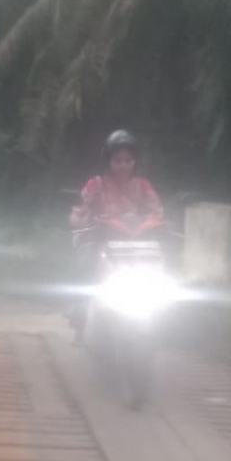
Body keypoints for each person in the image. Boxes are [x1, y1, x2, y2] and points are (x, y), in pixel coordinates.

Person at [68, 130, 165, 336]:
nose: (123, 165)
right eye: (117, 160)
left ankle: (169, 319)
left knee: (165, 273)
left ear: (135, 162)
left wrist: (159, 221)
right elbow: (79, 211)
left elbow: (157, 210)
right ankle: (80, 311)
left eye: (128, 160)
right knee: (85, 264)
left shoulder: (143, 185)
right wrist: (82, 220)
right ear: (108, 161)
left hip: (137, 246)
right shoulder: (96, 184)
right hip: (101, 241)